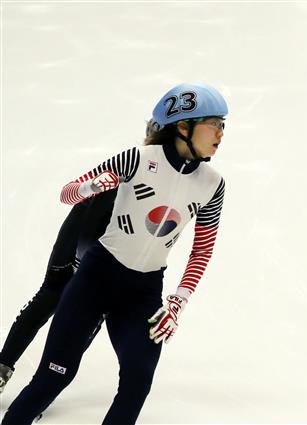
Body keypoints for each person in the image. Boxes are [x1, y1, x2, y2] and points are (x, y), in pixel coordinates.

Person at [2, 82, 228, 425]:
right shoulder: (136, 159)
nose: (221, 134)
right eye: (215, 124)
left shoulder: (213, 184)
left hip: (144, 292)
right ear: (183, 126)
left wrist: (177, 302)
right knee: (54, 374)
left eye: (224, 125)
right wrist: (92, 186)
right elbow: (67, 193)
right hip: (95, 276)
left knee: (138, 382)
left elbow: (202, 248)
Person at [0, 191, 116, 395]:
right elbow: (71, 192)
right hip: (88, 219)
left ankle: (43, 387)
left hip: (121, 240)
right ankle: (4, 369)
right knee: (50, 296)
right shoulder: (130, 165)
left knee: (87, 320)